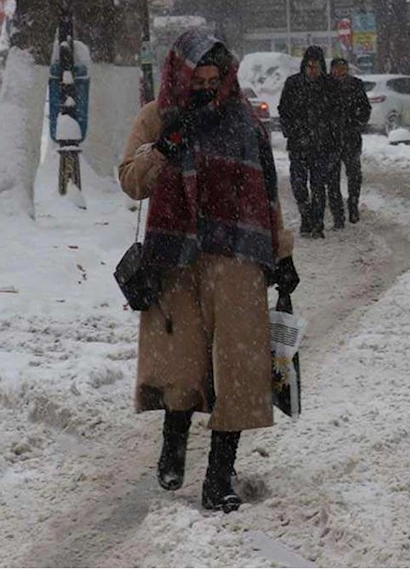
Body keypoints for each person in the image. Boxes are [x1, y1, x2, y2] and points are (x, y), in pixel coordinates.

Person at [118, 30, 299, 513]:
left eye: (213, 80)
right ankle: (174, 441)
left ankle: (220, 474)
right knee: (181, 365)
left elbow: (267, 192)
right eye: (196, 80)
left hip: (237, 254)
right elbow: (131, 182)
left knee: (239, 367)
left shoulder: (244, 120)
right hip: (176, 259)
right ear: (179, 74)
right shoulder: (157, 116)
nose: (205, 89)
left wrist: (282, 255)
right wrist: (162, 150)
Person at [278, 46, 331, 238]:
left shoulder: (328, 85)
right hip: (298, 144)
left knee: (318, 185)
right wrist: (290, 131)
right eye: (310, 66)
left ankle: (317, 223)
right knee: (299, 184)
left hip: (321, 145)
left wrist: (331, 136)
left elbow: (336, 112)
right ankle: (305, 215)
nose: (313, 70)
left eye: (316, 67)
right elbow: (284, 110)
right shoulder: (293, 84)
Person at [326, 58, 371, 227]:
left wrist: (358, 125)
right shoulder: (325, 85)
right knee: (332, 178)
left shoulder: (355, 85)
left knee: (354, 174)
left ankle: (353, 205)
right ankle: (338, 214)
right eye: (337, 69)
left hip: (351, 137)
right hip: (330, 139)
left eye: (343, 69)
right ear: (332, 70)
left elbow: (365, 108)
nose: (340, 72)